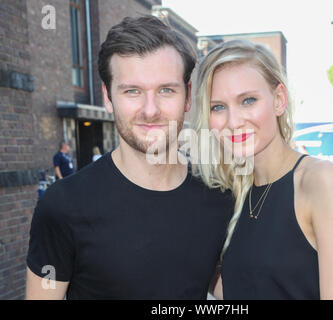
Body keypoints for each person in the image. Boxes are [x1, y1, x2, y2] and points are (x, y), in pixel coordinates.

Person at [26, 15, 233, 300]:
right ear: (108, 98)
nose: (150, 110)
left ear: (187, 98)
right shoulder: (62, 206)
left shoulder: (219, 196)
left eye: (165, 90)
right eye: (132, 91)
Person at [192, 39, 333, 300]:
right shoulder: (230, 193)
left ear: (279, 100)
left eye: (248, 100)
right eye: (218, 107)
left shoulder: (320, 181)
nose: (233, 121)